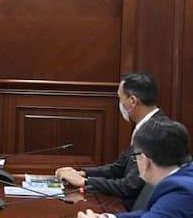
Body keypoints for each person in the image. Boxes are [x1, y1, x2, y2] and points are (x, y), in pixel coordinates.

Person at [55, 72, 162, 208]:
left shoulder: (154, 132)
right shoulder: (147, 126)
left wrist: (86, 181)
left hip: (131, 209)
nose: (120, 104)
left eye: (120, 98)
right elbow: (119, 167)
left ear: (133, 101)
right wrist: (82, 173)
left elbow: (130, 186)